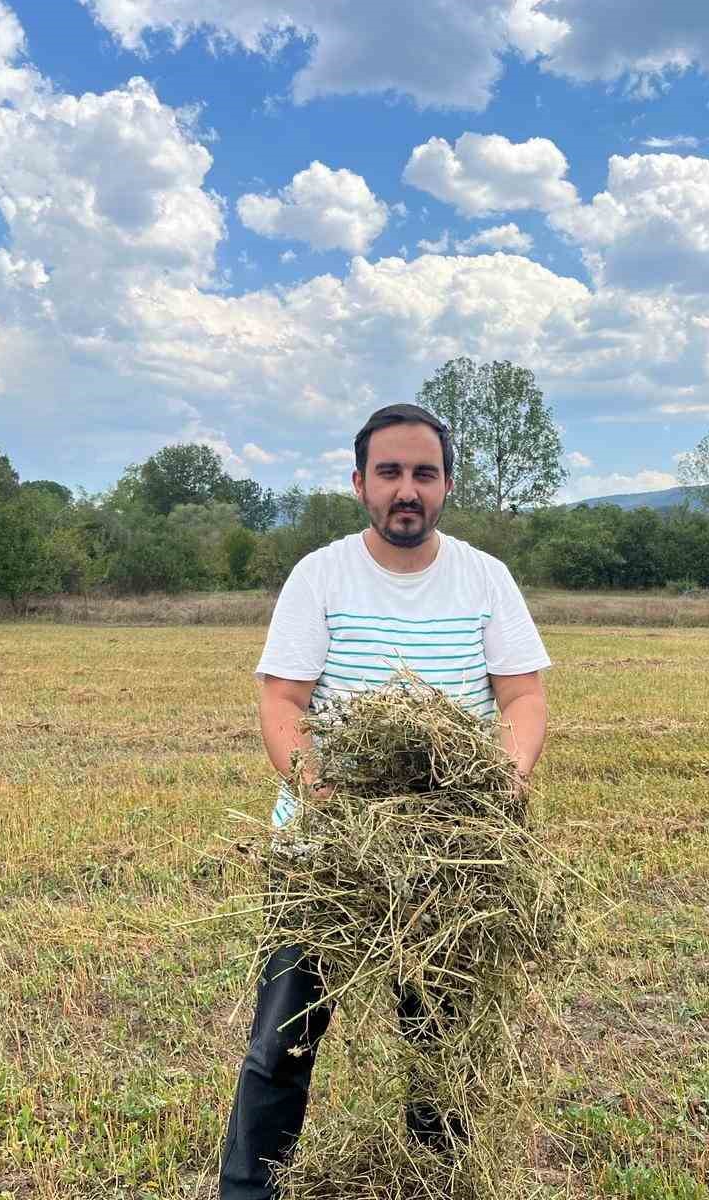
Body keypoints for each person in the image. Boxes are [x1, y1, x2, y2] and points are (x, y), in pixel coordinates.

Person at [217, 402, 553, 1200]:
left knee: (441, 1046)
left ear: (446, 485)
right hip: (323, 855)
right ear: (360, 482)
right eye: (391, 473)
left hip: (450, 857)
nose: (408, 490)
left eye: (424, 474)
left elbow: (523, 698)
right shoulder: (321, 574)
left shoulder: (484, 577)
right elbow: (282, 703)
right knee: (282, 1043)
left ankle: (436, 1185)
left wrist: (498, 785)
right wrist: (327, 801)